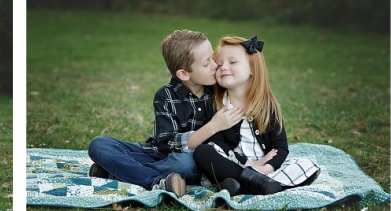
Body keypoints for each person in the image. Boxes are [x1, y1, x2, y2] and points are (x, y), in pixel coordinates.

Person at [87, 27, 240, 197]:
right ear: (183, 74)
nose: (215, 65)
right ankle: (155, 182)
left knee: (186, 164)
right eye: (206, 63)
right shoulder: (165, 95)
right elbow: (166, 142)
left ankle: (118, 172)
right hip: (157, 155)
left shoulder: (219, 90)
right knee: (99, 144)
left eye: (212, 57)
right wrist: (213, 126)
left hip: (192, 160)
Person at [193, 35, 320, 196]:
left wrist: (266, 168)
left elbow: (280, 146)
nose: (223, 67)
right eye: (219, 64)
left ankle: (250, 185)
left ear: (252, 69)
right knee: (203, 151)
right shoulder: (215, 104)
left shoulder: (267, 105)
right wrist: (249, 164)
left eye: (232, 62)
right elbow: (217, 142)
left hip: (266, 169)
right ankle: (252, 181)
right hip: (233, 165)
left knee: (306, 165)